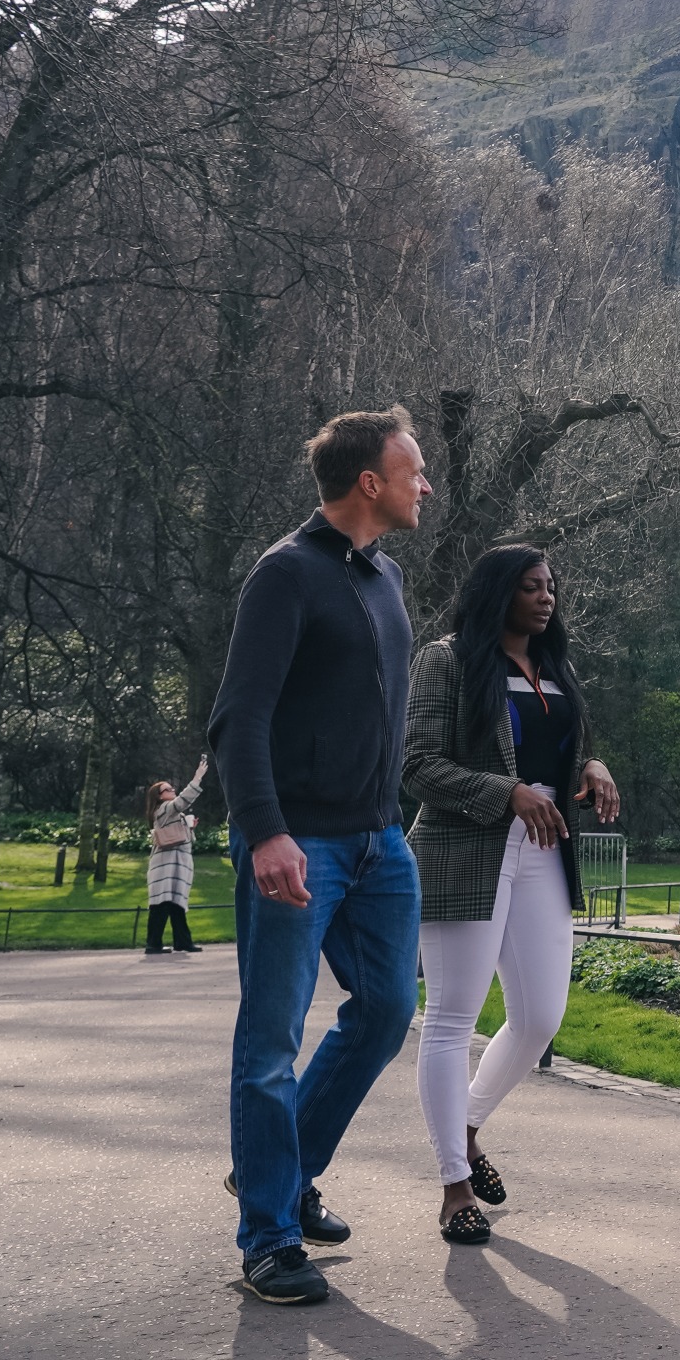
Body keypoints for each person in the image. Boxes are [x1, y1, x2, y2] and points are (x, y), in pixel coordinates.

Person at [207, 407, 429, 1306]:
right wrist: (266, 831)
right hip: (298, 840)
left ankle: (285, 1169)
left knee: (386, 1011)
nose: (425, 485)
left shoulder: (386, 577)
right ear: (369, 482)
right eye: (413, 471)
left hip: (380, 841)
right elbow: (239, 719)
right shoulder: (285, 573)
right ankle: (267, 1236)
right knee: (271, 1037)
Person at [405, 546, 619, 1245]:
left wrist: (590, 764)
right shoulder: (446, 661)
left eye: (551, 586)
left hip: (545, 849)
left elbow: (560, 744)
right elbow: (416, 765)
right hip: (465, 850)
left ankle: (465, 1128)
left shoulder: (555, 666)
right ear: (499, 592)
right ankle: (453, 1185)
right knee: (451, 1019)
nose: (546, 597)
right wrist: (507, 793)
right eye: (531, 586)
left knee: (539, 1018)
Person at [142, 757, 210, 956]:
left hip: (175, 865)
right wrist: (197, 777)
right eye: (168, 789)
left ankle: (182, 941)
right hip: (167, 866)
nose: (172, 790)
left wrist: (189, 828)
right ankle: (153, 944)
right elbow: (182, 801)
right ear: (159, 796)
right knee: (162, 904)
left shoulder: (169, 813)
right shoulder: (164, 809)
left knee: (175, 904)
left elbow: (179, 838)